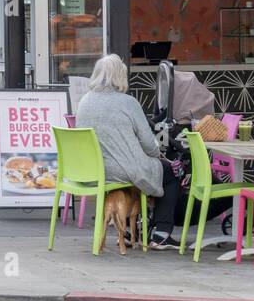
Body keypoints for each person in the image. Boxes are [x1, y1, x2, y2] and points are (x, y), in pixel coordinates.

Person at [75, 53, 181, 250]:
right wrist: (158, 155)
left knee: (147, 172)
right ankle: (161, 234)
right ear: (120, 76)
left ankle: (132, 231)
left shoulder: (84, 101)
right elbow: (149, 145)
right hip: (119, 170)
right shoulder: (128, 102)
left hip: (91, 171)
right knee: (169, 172)